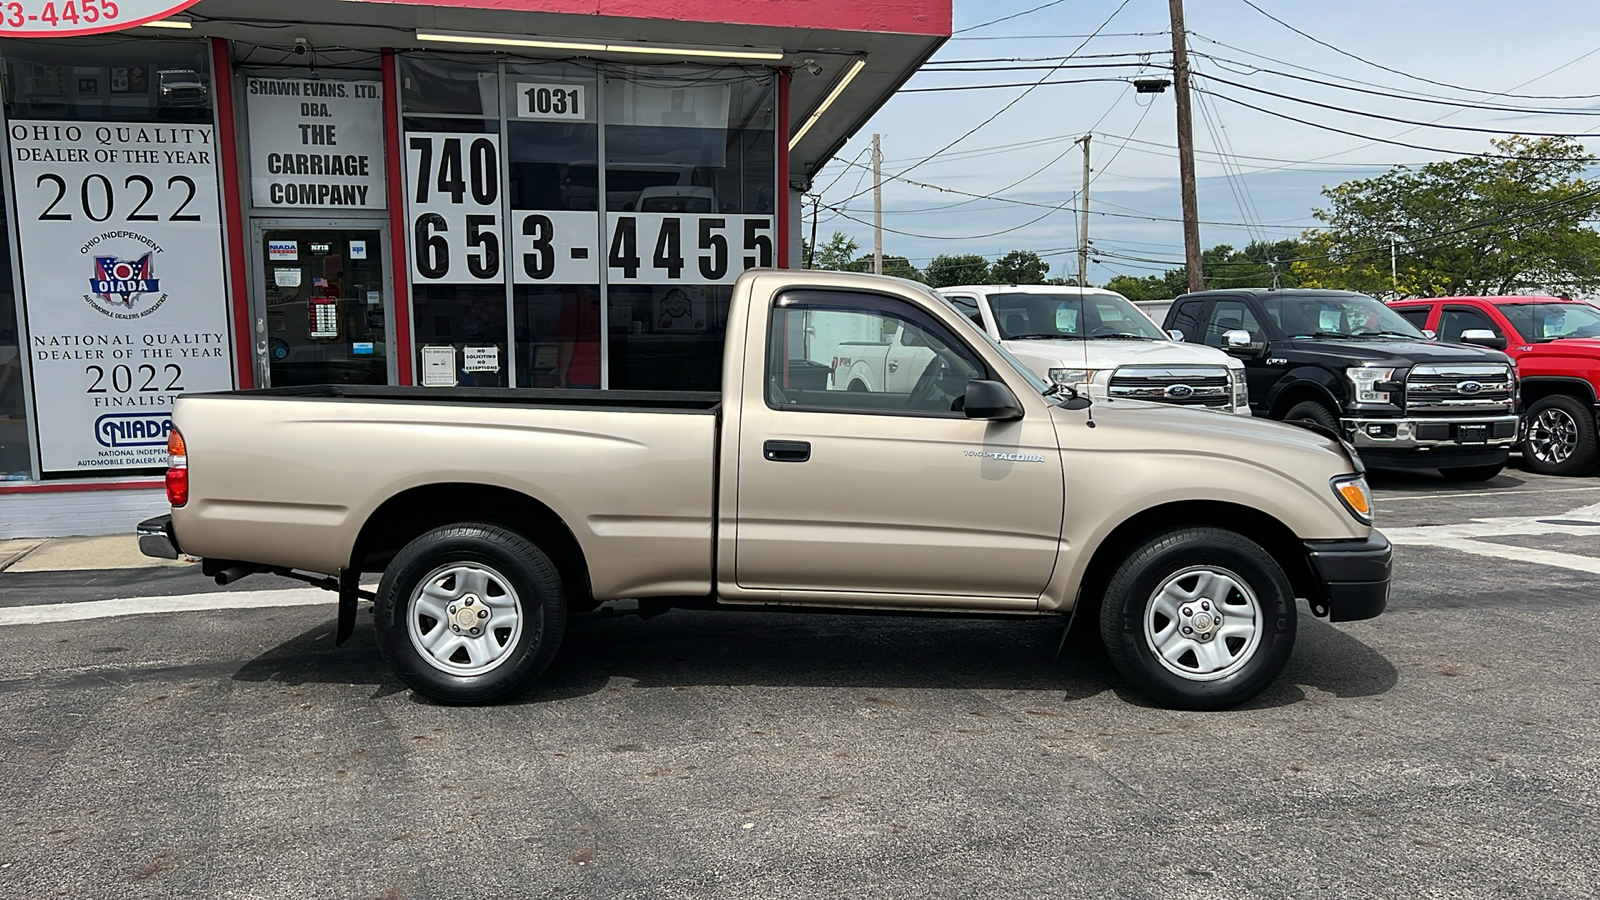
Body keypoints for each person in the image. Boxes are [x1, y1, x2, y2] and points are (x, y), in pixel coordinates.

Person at [556, 287, 602, 389]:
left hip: (578, 376)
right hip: (599, 375)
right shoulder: (597, 310)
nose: (562, 297)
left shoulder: (570, 311)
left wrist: (562, 378)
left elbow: (566, 349)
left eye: (564, 293)